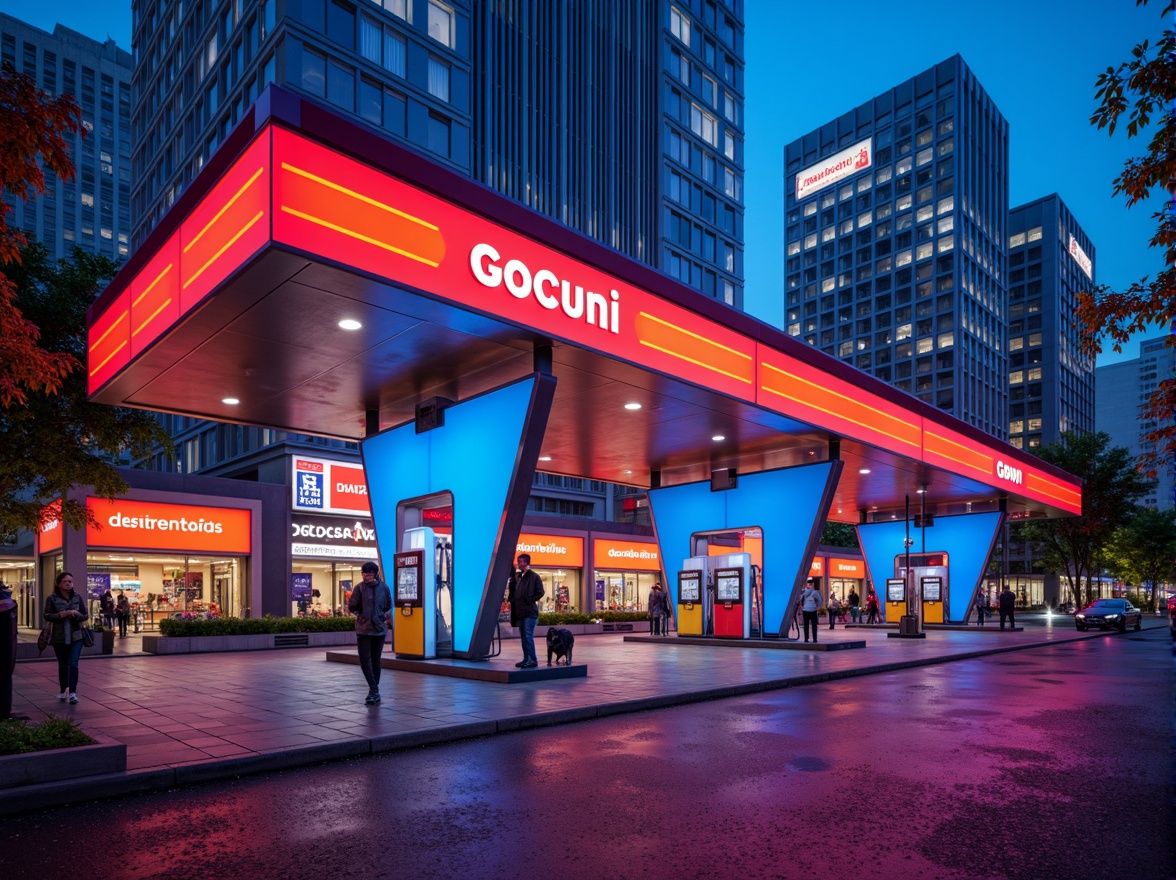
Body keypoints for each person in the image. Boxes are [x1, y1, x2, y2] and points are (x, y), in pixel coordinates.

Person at [347, 561, 392, 704]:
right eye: (364, 574)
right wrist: (361, 612)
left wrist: (377, 615)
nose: (366, 576)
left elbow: (388, 605)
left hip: (378, 629)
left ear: (375, 574)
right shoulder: (359, 588)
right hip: (364, 629)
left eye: (369, 574)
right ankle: (374, 690)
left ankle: (374, 691)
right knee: (365, 660)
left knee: (375, 660)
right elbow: (352, 605)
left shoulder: (383, 588)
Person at [43, 572, 86, 704]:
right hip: (59, 636)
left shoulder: (77, 597)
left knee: (73, 664)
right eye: (65, 581)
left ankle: (72, 693)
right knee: (63, 664)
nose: (68, 584)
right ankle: (63, 690)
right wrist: (61, 615)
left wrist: (76, 613)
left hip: (76, 636)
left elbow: (85, 615)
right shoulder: (52, 598)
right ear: (58, 584)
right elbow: (47, 615)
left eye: (70, 581)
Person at [507, 553, 544, 668]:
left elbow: (540, 592)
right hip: (520, 612)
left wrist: (530, 600)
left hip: (529, 612)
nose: (520, 564)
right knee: (523, 636)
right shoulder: (518, 577)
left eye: (522, 561)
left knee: (527, 636)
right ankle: (526, 658)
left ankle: (532, 660)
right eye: (519, 561)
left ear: (527, 562)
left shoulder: (534, 577)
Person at [800, 578, 821, 643]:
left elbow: (800, 599)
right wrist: (817, 606)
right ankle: (815, 639)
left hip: (805, 610)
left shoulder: (803, 592)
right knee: (814, 625)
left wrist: (802, 607)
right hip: (813, 610)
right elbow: (820, 601)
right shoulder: (815, 592)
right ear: (813, 584)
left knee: (806, 625)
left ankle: (806, 639)